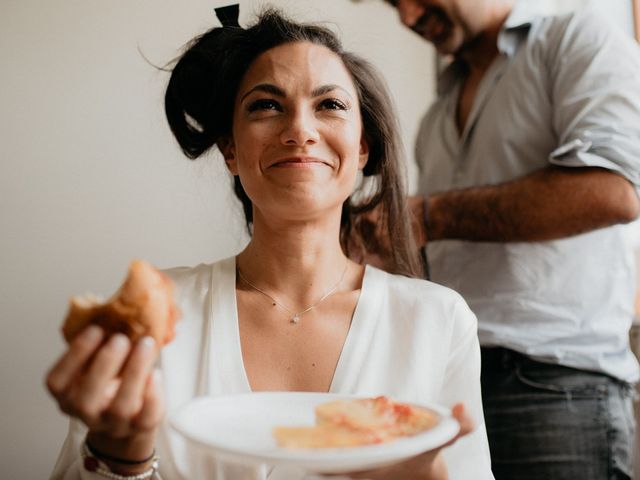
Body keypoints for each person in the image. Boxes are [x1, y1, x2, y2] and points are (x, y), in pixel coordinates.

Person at [45, 7, 495, 480]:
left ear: (363, 148)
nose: (300, 130)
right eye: (266, 105)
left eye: (331, 105)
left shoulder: (437, 321)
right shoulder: (159, 317)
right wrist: (121, 459)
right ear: (231, 150)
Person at [368, 0, 640, 478]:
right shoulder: (436, 116)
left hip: (557, 387)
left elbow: (614, 191)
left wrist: (427, 215)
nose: (409, 17)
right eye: (393, 5)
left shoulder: (577, 38)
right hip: (454, 384)